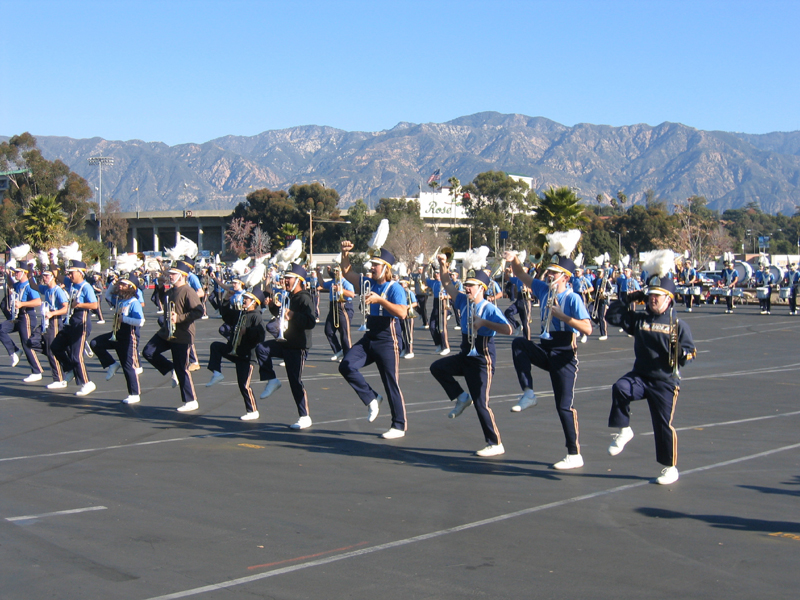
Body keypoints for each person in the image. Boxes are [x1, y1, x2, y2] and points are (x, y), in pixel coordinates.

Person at [604, 262, 697, 485]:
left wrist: (682, 355)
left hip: (665, 381)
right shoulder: (641, 319)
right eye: (651, 295)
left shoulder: (678, 324)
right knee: (621, 387)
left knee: (663, 424)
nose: (652, 299)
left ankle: (670, 467)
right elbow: (612, 317)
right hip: (641, 376)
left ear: (669, 299)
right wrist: (628, 298)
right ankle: (624, 430)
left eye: (658, 296)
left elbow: (691, 351)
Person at [504, 247, 593, 470]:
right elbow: (521, 274)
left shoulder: (572, 298)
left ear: (565, 276)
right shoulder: (544, 289)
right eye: (549, 271)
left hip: (564, 356)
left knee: (563, 407)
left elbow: (588, 329)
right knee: (519, 344)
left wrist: (564, 317)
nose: (549, 274)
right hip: (546, 348)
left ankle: (574, 453)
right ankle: (528, 392)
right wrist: (514, 258)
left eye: (554, 272)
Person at [430, 260, 512, 456]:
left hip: (482, 358)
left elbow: (509, 329)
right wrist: (443, 266)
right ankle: (461, 397)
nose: (466, 288)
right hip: (466, 353)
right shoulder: (462, 301)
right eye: (466, 285)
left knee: (482, 402)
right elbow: (447, 283)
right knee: (438, 368)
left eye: (471, 285)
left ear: (481, 288)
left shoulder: (489, 308)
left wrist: (484, 322)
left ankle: (495, 443)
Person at [338, 242, 409, 439]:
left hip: (389, 339)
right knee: (346, 365)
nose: (371, 267)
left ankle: (398, 425)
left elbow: (403, 313)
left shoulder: (395, 288)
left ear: (386, 268)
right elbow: (346, 272)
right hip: (370, 336)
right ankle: (371, 398)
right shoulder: (368, 283)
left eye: (375, 264)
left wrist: (381, 301)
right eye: (372, 264)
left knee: (391, 382)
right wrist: (345, 253)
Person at [253, 264, 316, 429]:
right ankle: (272, 380)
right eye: (285, 277)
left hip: (298, 346)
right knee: (262, 348)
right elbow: (282, 315)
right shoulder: (289, 296)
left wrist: (294, 314)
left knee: (295, 382)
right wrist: (273, 306)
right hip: (286, 342)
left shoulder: (304, 298)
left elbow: (310, 321)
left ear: (298, 280)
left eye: (289, 278)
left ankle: (304, 416)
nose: (285, 281)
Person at [142, 260, 204, 411]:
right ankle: (171, 369)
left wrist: (180, 318)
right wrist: (160, 285)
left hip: (182, 335)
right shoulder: (171, 290)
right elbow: (162, 298)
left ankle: (191, 400)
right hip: (166, 332)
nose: (170, 276)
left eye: (173, 274)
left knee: (182, 368)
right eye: (170, 273)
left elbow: (199, 311)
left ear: (182, 276)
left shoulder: (188, 291)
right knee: (148, 352)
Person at [207, 287, 267, 420]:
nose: (244, 300)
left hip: (247, 356)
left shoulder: (256, 317)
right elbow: (227, 315)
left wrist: (248, 332)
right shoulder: (241, 313)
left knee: (244, 385)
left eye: (247, 299)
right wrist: (226, 300)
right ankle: (216, 372)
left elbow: (261, 336)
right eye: (244, 298)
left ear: (254, 302)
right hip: (235, 351)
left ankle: (252, 411)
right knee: (216, 346)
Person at [89, 274, 145, 404]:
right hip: (117, 334)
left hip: (128, 337)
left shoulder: (133, 302)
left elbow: (140, 321)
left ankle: (134, 394)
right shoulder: (120, 300)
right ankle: (112, 364)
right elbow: (108, 296)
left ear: (131, 287)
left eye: (123, 285)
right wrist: (113, 283)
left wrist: (124, 319)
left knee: (128, 365)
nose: (120, 286)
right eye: (120, 284)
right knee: (95, 343)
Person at [51, 260, 100, 396]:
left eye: (72, 273)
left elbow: (94, 305)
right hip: (70, 322)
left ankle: (87, 383)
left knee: (76, 355)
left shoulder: (86, 287)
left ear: (80, 273)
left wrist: (78, 305)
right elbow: (57, 275)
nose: (70, 275)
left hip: (81, 322)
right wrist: (51, 260)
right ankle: (70, 369)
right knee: (56, 346)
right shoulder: (71, 284)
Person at [0, 265, 44, 382]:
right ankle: (14, 351)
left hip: (27, 316)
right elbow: (11, 284)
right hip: (18, 316)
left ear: (24, 273)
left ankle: (37, 371)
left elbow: (38, 301)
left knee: (27, 344)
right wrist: (9, 275)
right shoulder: (18, 284)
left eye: (18, 272)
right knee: (1, 329)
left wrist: (22, 304)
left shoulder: (29, 286)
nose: (16, 274)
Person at [37, 267, 70, 389]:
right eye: (43, 275)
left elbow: (66, 307)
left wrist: (52, 313)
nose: (44, 278)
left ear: (52, 277)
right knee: (32, 341)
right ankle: (63, 355)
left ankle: (59, 379)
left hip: (55, 320)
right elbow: (34, 286)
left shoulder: (58, 291)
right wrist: (29, 271)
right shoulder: (46, 289)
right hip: (45, 320)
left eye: (46, 275)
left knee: (52, 350)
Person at [318, 265, 355, 361]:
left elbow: (352, 294)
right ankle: (338, 351)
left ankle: (348, 355)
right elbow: (322, 284)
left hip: (344, 306)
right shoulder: (333, 282)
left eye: (337, 271)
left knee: (344, 333)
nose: (335, 273)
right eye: (334, 271)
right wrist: (318, 273)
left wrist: (341, 290)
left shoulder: (346, 283)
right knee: (328, 330)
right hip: (333, 306)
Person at [427, 267, 450, 355]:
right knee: (432, 326)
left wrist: (445, 297)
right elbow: (424, 280)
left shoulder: (446, 283)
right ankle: (439, 344)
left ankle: (446, 346)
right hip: (436, 302)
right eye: (435, 273)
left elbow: (453, 294)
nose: (436, 274)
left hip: (443, 302)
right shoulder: (433, 282)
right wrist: (424, 269)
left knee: (442, 327)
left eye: (438, 273)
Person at [590, 267, 614, 341]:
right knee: (590, 311)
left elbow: (611, 290)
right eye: (597, 272)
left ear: (602, 273)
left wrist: (604, 292)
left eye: (600, 272)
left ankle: (603, 334)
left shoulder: (605, 281)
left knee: (601, 316)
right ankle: (597, 322)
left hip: (603, 299)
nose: (598, 274)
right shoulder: (595, 280)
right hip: (596, 298)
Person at [399, 277, 417, 359]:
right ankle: (403, 349)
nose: (400, 285)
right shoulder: (399, 292)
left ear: (406, 284)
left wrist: (407, 306)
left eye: (402, 283)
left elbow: (415, 303)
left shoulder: (409, 293)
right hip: (400, 314)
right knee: (399, 333)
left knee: (408, 333)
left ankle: (410, 351)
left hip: (408, 314)